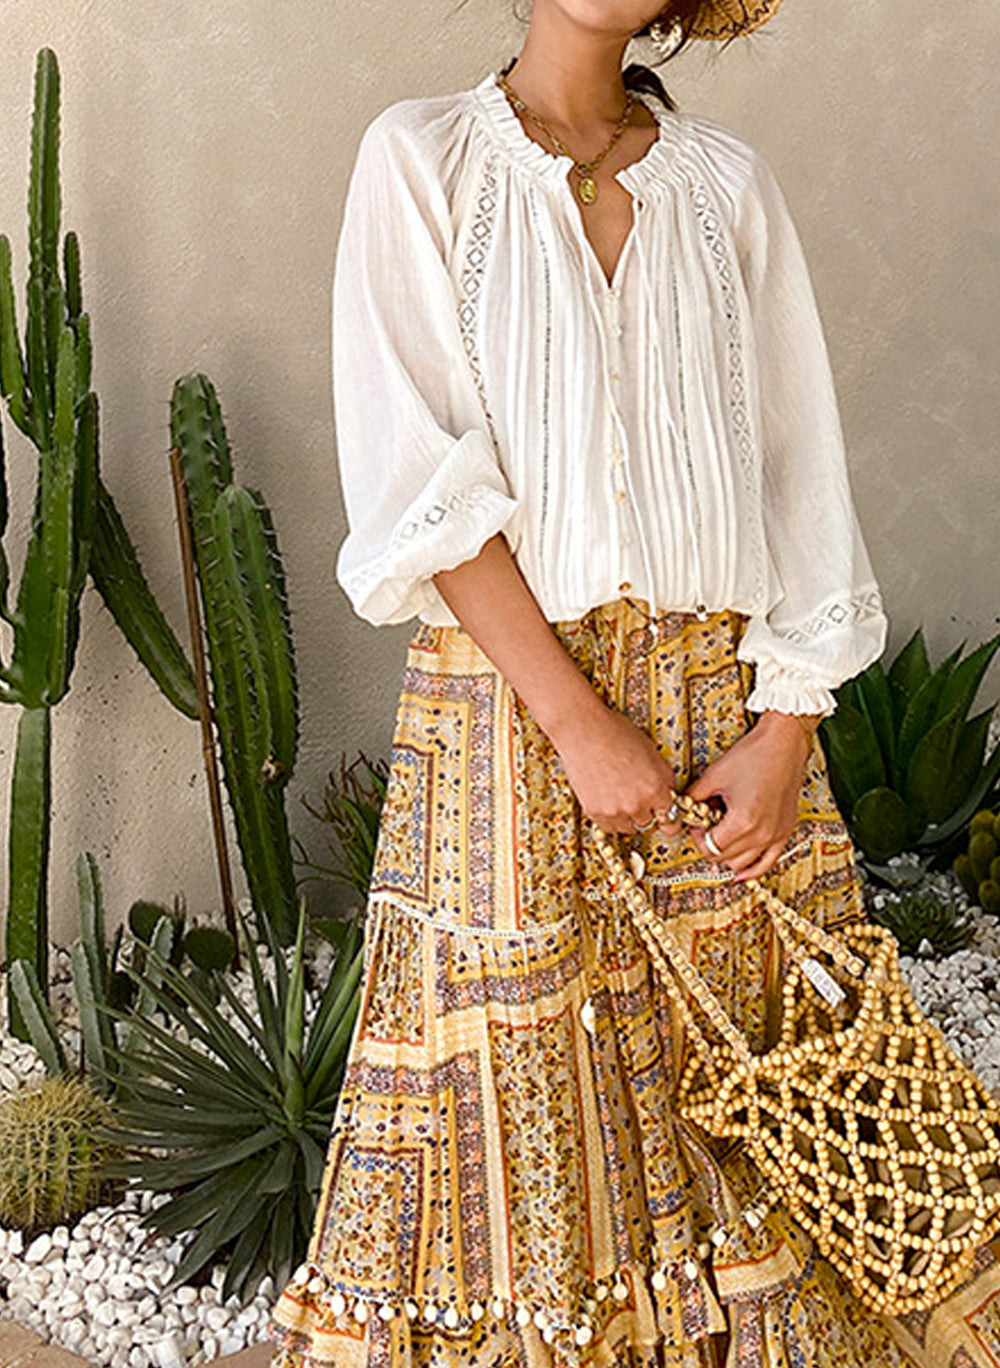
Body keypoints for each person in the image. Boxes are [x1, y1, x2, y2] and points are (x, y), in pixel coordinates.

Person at [265, 2, 1000, 1365]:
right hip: (508, 708)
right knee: (521, 1106)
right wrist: (574, 719)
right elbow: (421, 484)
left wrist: (789, 726)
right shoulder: (419, 160)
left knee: (760, 1088)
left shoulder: (726, 184)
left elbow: (801, 469)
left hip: (731, 702)